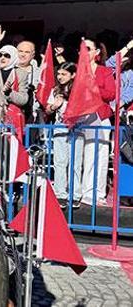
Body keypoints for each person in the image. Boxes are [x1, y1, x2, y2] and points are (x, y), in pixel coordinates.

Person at [79, 38, 115, 206]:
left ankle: (96, 193)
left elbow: (111, 94)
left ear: (96, 52)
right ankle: (80, 191)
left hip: (99, 117)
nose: (84, 51)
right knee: (81, 155)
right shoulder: (76, 70)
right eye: (82, 48)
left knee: (99, 155)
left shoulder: (104, 71)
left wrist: (93, 86)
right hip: (80, 116)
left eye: (88, 48)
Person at [46, 62, 83, 209]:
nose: (60, 77)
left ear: (73, 75)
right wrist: (54, 106)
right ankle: (60, 193)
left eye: (64, 74)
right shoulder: (55, 90)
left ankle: (75, 194)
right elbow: (48, 110)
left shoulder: (79, 90)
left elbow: (87, 108)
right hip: (60, 128)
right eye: (59, 74)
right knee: (60, 161)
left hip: (77, 128)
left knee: (75, 162)